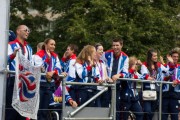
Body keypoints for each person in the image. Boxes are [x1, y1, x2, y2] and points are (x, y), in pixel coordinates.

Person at [33, 38, 67, 120]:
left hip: (50, 85)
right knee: (38, 109)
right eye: (51, 44)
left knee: (44, 110)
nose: (53, 46)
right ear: (46, 45)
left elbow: (58, 68)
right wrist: (47, 59)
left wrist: (53, 72)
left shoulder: (55, 56)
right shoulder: (38, 55)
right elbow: (41, 69)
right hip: (40, 84)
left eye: (54, 45)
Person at [6, 25, 32, 120]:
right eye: (25, 30)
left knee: (22, 113)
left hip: (25, 82)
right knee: (12, 111)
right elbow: (4, 61)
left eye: (28, 30)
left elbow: (30, 64)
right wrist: (13, 55)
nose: (27, 32)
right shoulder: (10, 45)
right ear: (18, 31)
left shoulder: (29, 48)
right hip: (14, 80)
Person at [140, 48, 172, 120]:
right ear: (150, 57)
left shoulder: (159, 65)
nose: (156, 57)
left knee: (152, 111)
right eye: (154, 56)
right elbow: (144, 74)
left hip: (156, 91)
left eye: (156, 56)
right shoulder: (144, 65)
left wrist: (171, 63)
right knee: (147, 111)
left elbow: (168, 72)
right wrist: (148, 77)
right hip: (147, 91)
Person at [103, 38, 129, 120]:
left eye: (117, 45)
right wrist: (106, 76)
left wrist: (119, 75)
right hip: (105, 85)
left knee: (116, 107)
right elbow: (100, 66)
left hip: (117, 86)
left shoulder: (125, 57)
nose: (115, 47)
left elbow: (126, 73)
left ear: (121, 45)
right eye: (113, 45)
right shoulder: (106, 54)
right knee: (105, 106)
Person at [162, 47, 180, 120]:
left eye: (177, 57)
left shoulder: (179, 67)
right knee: (164, 115)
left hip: (175, 94)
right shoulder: (164, 66)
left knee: (174, 116)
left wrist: (178, 81)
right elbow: (163, 77)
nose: (175, 58)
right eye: (174, 57)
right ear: (170, 57)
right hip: (165, 93)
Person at [94, 43, 113, 107]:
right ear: (95, 51)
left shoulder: (103, 63)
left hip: (104, 89)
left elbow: (105, 76)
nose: (102, 51)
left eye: (102, 50)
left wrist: (109, 79)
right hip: (96, 89)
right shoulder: (92, 62)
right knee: (98, 109)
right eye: (100, 50)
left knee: (105, 109)